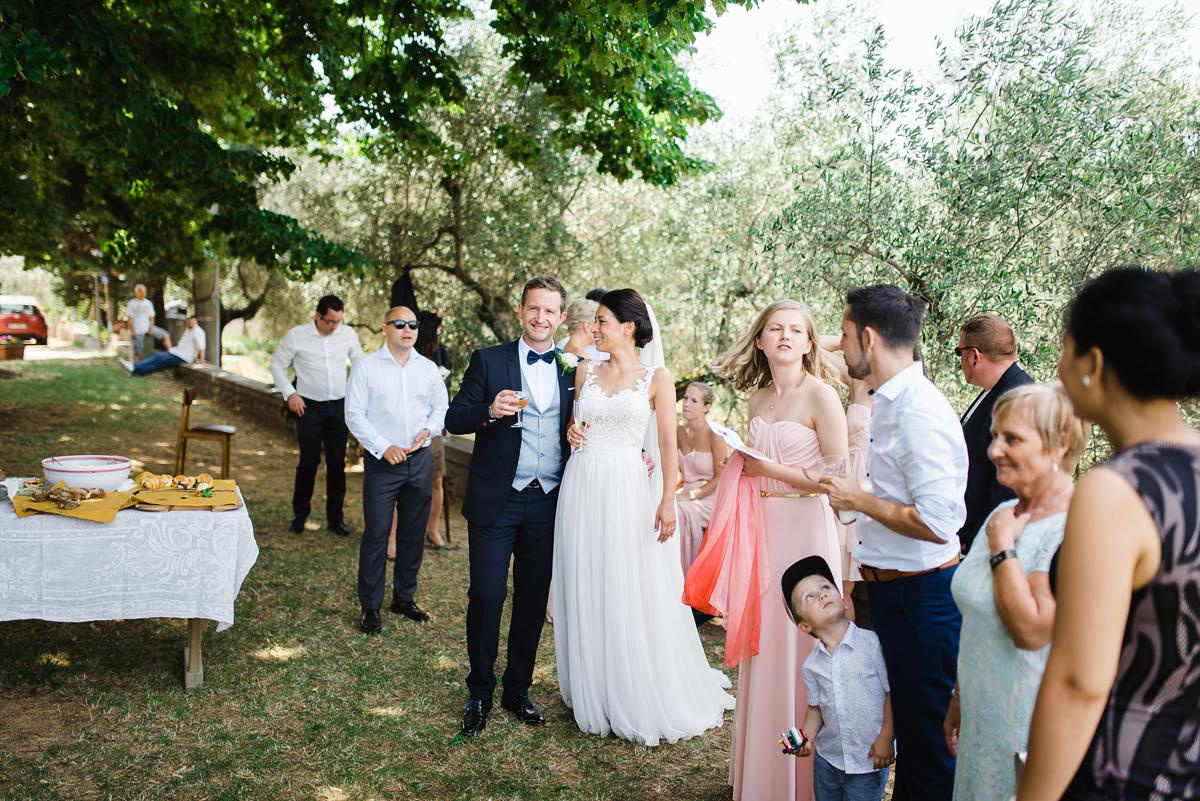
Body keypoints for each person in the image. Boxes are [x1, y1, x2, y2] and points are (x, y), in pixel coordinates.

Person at [1018, 267, 1200, 801]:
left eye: (1065, 349)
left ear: (1092, 363)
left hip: (1121, 777)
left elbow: (1079, 683)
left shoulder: (1117, 490)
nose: (1057, 367)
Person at [556, 288, 733, 745]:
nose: (594, 328)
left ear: (628, 327)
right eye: (594, 321)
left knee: (624, 577)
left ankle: (631, 683)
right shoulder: (584, 371)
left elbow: (668, 445)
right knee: (587, 574)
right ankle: (593, 681)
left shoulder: (656, 377)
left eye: (602, 320)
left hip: (626, 487)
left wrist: (668, 500)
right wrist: (572, 431)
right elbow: (575, 424)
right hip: (583, 482)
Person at [693, 299, 848, 801]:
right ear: (760, 340)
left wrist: (769, 471)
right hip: (765, 529)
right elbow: (750, 468)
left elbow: (837, 478)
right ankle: (763, 772)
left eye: (796, 330)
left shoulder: (822, 396)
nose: (785, 336)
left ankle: (800, 781)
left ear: (809, 342)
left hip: (806, 528)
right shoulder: (758, 399)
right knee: (769, 642)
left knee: (803, 643)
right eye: (774, 328)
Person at [820, 285, 968, 801]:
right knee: (907, 726)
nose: (839, 346)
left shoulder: (918, 412)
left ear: (869, 336)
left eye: (843, 335)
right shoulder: (888, 402)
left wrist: (858, 500)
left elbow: (937, 522)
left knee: (928, 744)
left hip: (923, 599)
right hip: (891, 594)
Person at [943, 382, 1086, 801]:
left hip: (1027, 725)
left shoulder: (1070, 528)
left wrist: (1003, 548)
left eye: (1012, 439)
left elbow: (1031, 629)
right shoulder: (1005, 511)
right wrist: (960, 696)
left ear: (1059, 445)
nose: (993, 451)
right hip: (981, 716)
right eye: (995, 437)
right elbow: (980, 622)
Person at [445, 276, 572, 736]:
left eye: (550, 311)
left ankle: (517, 689)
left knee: (532, 600)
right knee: (486, 595)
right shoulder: (489, 360)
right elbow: (453, 417)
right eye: (533, 309)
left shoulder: (573, 368)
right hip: (497, 500)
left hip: (549, 500)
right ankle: (479, 691)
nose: (541, 318)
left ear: (561, 317)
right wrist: (488, 411)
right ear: (521, 312)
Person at [344, 306, 448, 635]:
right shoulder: (366, 368)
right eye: (400, 324)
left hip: (419, 461)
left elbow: (441, 407)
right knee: (376, 535)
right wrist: (382, 446)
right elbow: (354, 414)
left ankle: (403, 598)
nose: (408, 329)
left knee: (412, 534)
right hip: (382, 461)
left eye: (413, 325)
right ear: (384, 327)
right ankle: (370, 607)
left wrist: (429, 429)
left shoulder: (428, 369)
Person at [782, 555, 895, 801]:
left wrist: (887, 738)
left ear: (844, 602)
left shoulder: (873, 645)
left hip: (867, 760)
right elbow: (816, 708)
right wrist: (806, 738)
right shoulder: (812, 665)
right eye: (809, 597)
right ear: (805, 627)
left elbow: (892, 693)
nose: (821, 594)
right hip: (828, 760)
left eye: (825, 587)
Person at [269, 295, 363, 537]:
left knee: (336, 465)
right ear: (317, 316)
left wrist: (354, 392)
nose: (334, 327)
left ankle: (336, 519)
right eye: (330, 321)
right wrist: (290, 394)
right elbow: (276, 364)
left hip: (338, 407)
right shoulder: (297, 335)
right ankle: (300, 515)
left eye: (338, 321)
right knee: (309, 462)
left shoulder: (347, 334)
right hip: (308, 407)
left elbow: (360, 363)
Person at [956, 314, 1033, 552]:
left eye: (959, 353)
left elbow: (1010, 485)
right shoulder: (997, 390)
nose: (960, 361)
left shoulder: (1018, 398)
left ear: (974, 356)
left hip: (988, 541)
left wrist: (976, 540)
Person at [388, 310, 451, 558]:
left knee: (437, 480)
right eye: (435, 330)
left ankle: (432, 530)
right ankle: (391, 537)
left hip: (431, 430)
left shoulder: (439, 352)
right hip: (400, 431)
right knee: (395, 486)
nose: (438, 336)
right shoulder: (401, 353)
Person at [676, 381, 726, 575]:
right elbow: (676, 472)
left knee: (679, 511)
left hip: (710, 495)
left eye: (694, 400)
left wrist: (692, 496)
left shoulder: (716, 435)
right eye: (686, 398)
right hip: (685, 491)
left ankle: (685, 575)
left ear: (706, 407)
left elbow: (720, 478)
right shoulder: (679, 431)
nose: (686, 404)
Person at [125, 311, 205, 375]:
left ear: (196, 321)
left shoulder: (198, 331)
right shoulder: (189, 330)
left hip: (183, 357)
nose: (189, 322)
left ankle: (135, 369)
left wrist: (201, 361)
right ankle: (134, 368)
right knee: (157, 358)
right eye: (188, 320)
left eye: (191, 320)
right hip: (177, 353)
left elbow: (201, 347)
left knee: (159, 361)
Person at [124, 283, 171, 361]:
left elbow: (152, 317)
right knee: (137, 352)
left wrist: (150, 328)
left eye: (144, 291)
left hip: (148, 328)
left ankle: (171, 354)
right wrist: (132, 331)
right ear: (137, 292)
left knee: (165, 335)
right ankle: (136, 368)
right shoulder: (132, 303)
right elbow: (129, 319)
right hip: (137, 330)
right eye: (141, 291)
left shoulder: (148, 303)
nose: (143, 293)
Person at [555, 297, 607, 362]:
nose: (600, 329)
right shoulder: (582, 357)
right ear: (587, 326)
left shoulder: (559, 350)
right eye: (597, 323)